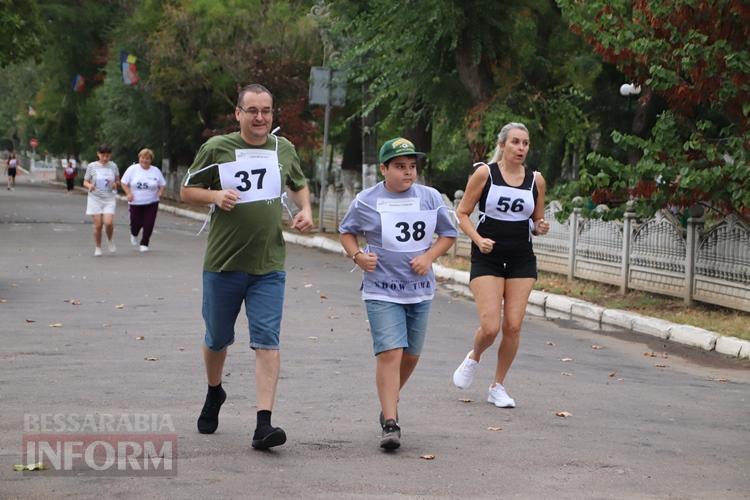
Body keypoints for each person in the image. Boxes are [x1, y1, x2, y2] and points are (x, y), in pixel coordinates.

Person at [180, 83, 313, 450]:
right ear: (238, 113)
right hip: (223, 263)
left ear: (273, 114)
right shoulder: (217, 148)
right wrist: (215, 195)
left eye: (266, 111)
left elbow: (298, 184)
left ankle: (263, 424)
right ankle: (214, 391)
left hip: (268, 264)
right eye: (252, 111)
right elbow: (187, 190)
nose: (259, 118)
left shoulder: (281, 148)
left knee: (267, 342)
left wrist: (305, 210)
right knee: (217, 339)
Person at [339, 138, 457, 450]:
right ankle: (390, 423)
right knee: (390, 352)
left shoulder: (430, 198)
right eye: (400, 167)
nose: (408, 173)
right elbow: (346, 231)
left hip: (419, 289)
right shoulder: (367, 200)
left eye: (412, 167)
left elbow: (448, 233)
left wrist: (429, 257)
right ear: (384, 169)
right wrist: (358, 256)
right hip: (381, 287)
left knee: (411, 354)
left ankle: (389, 397)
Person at [451, 122, 550, 408]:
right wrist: (478, 239)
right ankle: (474, 356)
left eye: (525, 143)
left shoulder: (536, 180)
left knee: (514, 325)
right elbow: (462, 212)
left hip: (521, 258)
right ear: (503, 145)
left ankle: (498, 386)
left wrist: (540, 226)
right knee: (491, 326)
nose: (521, 148)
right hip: (488, 256)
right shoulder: (485, 173)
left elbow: (536, 221)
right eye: (516, 142)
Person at [120, 148, 166, 252]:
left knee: (149, 223)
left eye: (147, 158)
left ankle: (145, 243)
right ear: (139, 158)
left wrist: (160, 192)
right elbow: (123, 182)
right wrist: (128, 193)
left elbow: (162, 184)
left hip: (152, 202)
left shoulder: (155, 171)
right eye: (142, 158)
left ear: (151, 160)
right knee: (136, 223)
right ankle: (134, 234)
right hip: (135, 202)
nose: (144, 160)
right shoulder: (132, 169)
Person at [82, 144, 120, 257]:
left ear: (110, 156)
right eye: (102, 155)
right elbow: (85, 181)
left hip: (109, 198)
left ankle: (110, 240)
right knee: (98, 225)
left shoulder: (113, 166)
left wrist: (115, 184)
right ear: (98, 154)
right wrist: (89, 186)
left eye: (107, 156)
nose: (105, 158)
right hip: (95, 198)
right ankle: (98, 247)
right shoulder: (92, 166)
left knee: (108, 223)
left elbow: (118, 180)